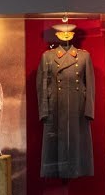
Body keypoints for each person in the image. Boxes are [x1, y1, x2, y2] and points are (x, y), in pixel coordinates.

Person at [36, 23, 95, 180]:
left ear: (73, 34)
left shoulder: (84, 56)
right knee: (55, 147)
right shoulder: (48, 57)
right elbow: (42, 85)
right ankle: (57, 175)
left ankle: (75, 173)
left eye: (69, 32)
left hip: (78, 109)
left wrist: (89, 111)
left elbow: (90, 85)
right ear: (56, 35)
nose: (66, 34)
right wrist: (44, 112)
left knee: (77, 146)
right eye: (61, 32)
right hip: (55, 108)